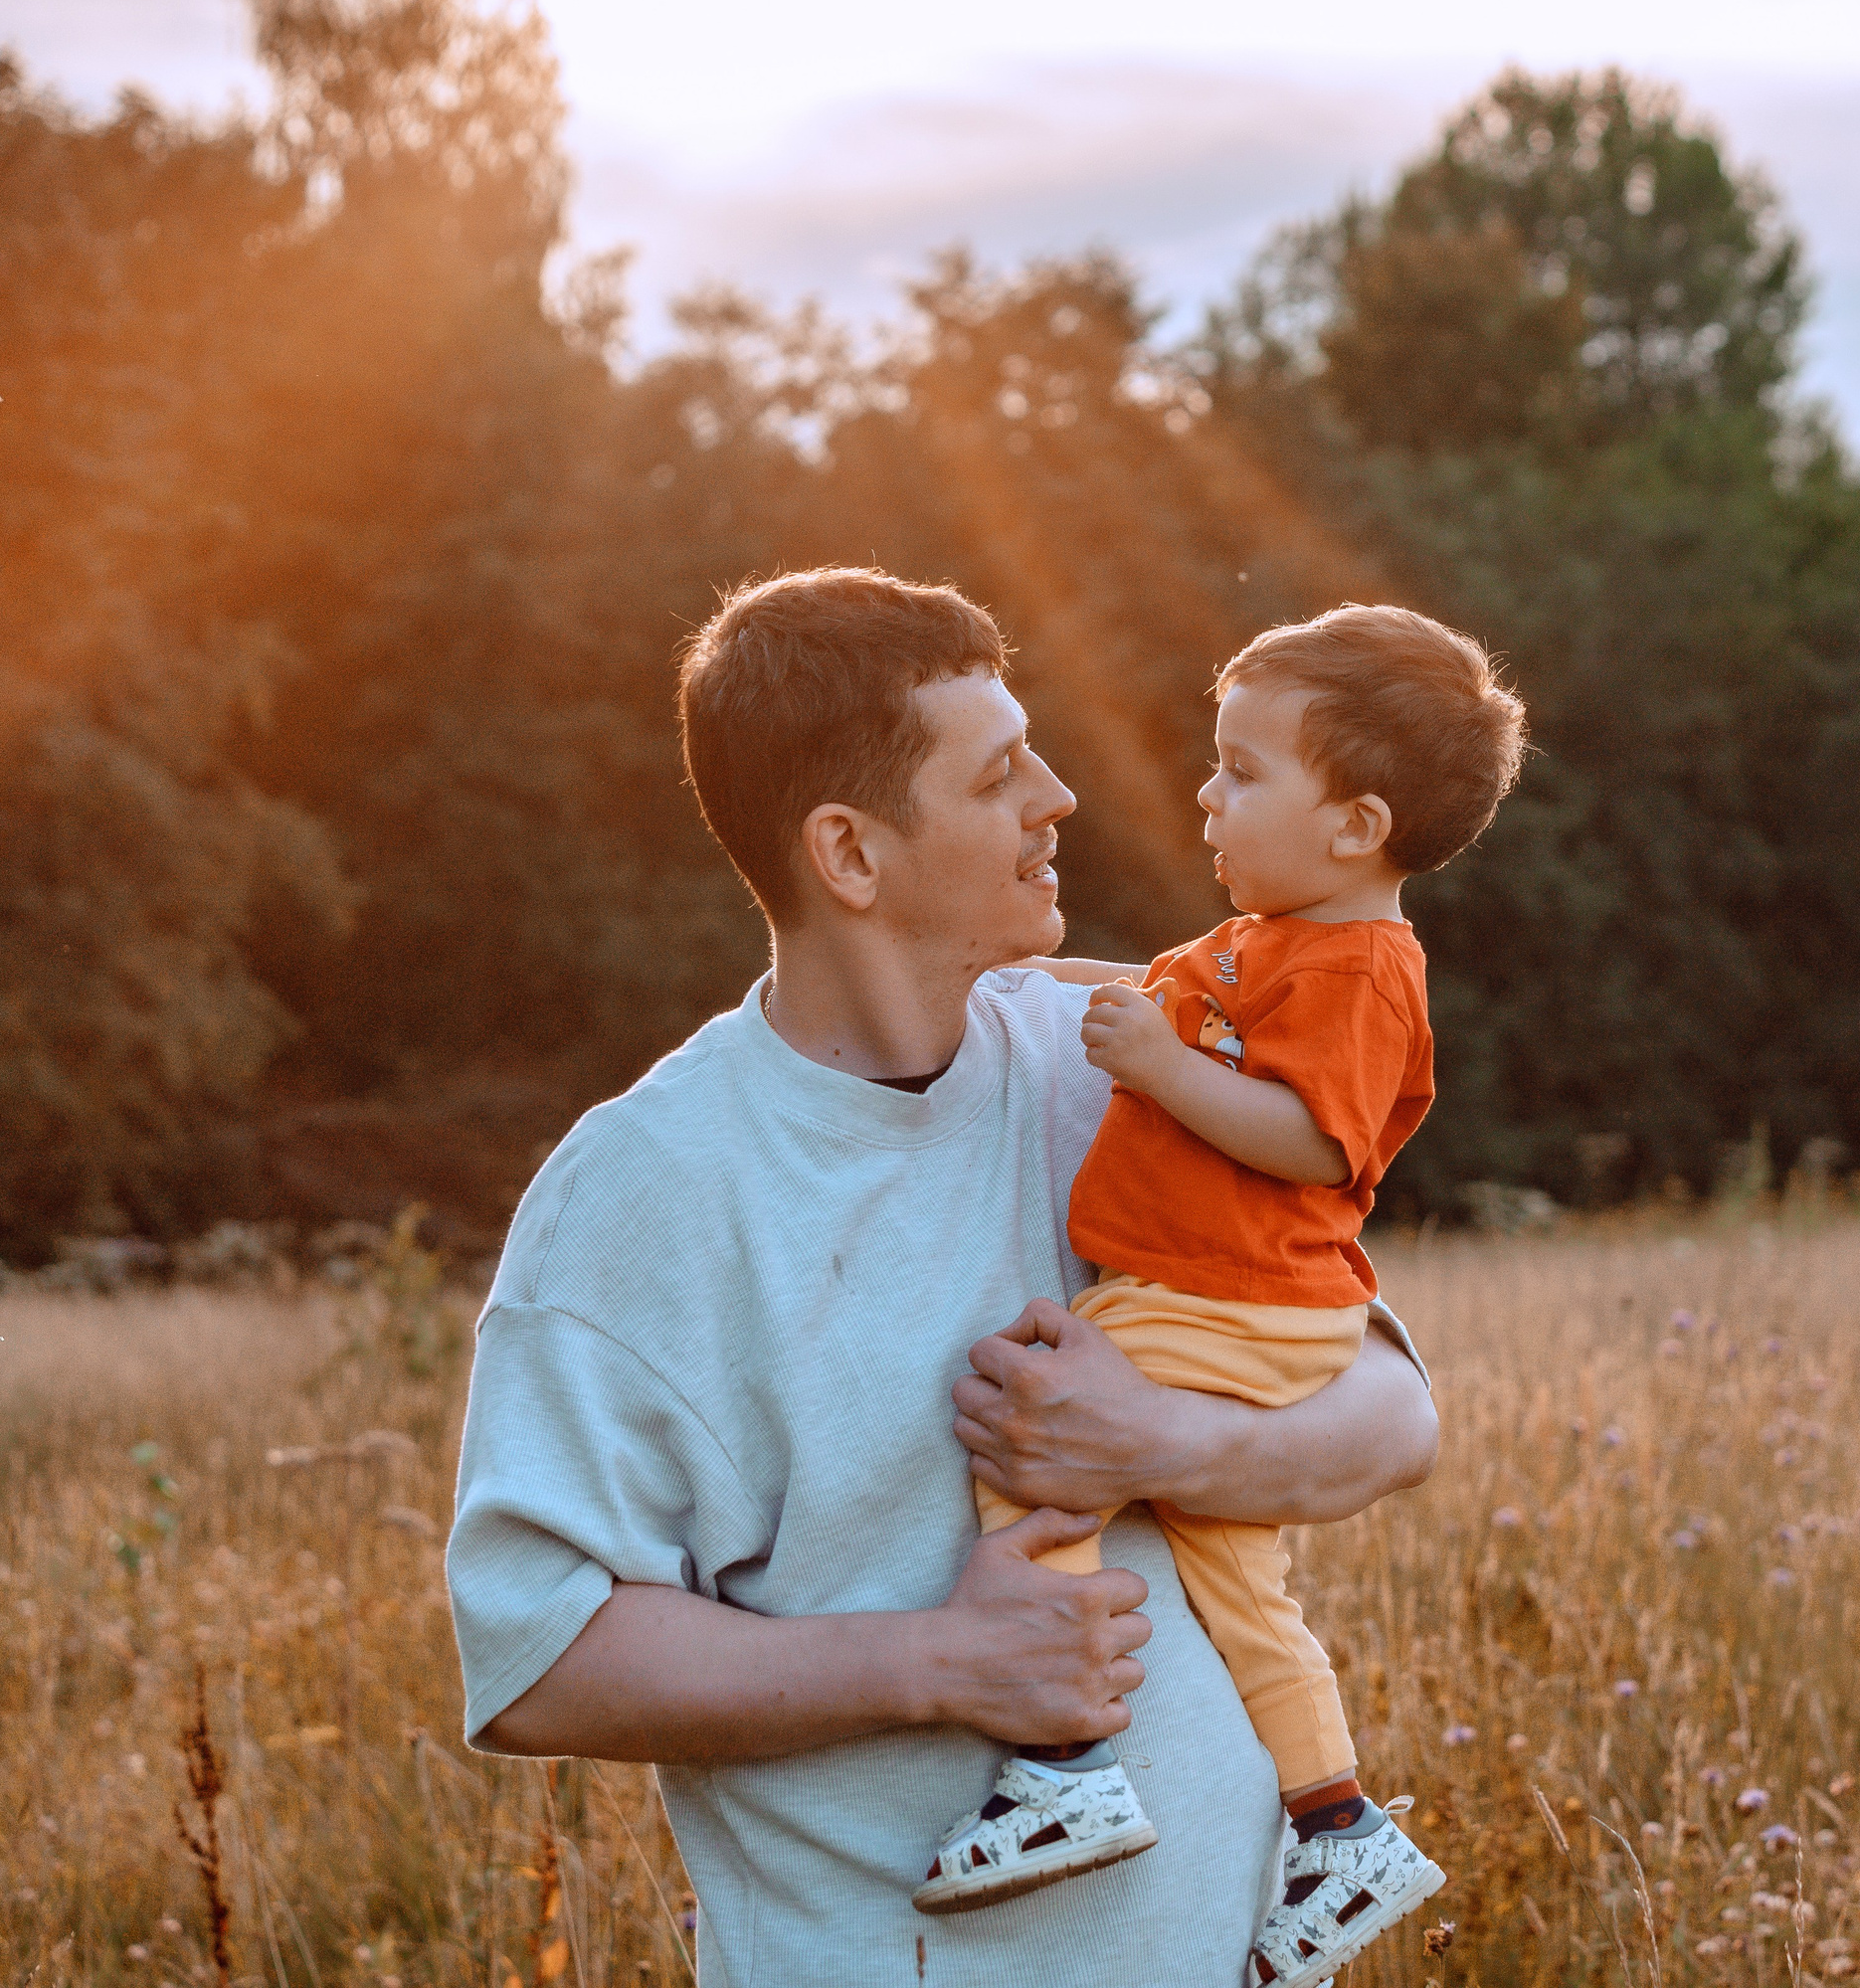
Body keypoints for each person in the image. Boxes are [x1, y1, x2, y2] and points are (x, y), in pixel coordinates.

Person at [444, 568, 1441, 1988]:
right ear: (849, 854)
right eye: (996, 775)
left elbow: (1394, 1412)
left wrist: (1170, 1445)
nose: (1059, 797)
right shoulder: (645, 1193)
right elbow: (541, 1662)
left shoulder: (1117, 1065)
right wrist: (938, 1661)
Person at [920, 607, 1525, 1988]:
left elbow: (1315, 1140)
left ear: (1356, 826)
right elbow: (1155, 998)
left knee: (1036, 1429)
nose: (1206, 794)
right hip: (1236, 1299)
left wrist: (1156, 1067)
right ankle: (1338, 1824)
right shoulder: (1271, 941)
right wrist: (1033, 983)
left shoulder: (1365, 969)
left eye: (1244, 771)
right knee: (1243, 1587)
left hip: (1227, 1298)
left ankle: (1067, 1762)